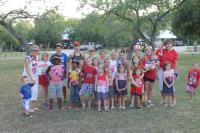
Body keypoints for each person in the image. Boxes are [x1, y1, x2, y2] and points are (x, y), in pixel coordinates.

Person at [22, 45, 39, 112]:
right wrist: (31, 79)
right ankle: (27, 108)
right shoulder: (27, 58)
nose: (35, 52)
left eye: (36, 50)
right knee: (27, 93)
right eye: (34, 50)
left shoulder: (37, 58)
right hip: (27, 78)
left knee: (35, 92)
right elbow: (28, 69)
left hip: (35, 77)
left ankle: (33, 107)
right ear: (31, 51)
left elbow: (37, 67)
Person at [161, 39, 178, 106]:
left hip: (171, 71)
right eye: (166, 44)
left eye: (169, 44)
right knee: (165, 85)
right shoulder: (163, 50)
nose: (168, 45)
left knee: (172, 86)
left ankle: (174, 100)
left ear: (172, 44)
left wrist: (176, 72)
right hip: (164, 71)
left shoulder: (174, 52)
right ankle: (165, 100)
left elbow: (176, 63)